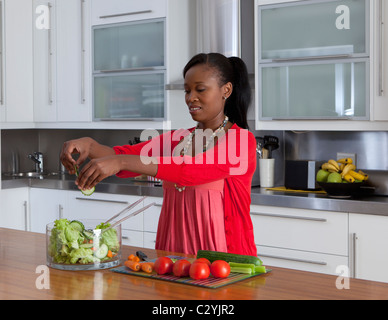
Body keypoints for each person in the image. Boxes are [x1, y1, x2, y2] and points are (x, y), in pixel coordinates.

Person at [60, 53, 257, 257]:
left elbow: (189, 170)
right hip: (172, 260)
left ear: (226, 90)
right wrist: (90, 146)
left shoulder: (241, 141)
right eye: (187, 90)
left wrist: (119, 161)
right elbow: (120, 157)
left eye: (200, 89)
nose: (191, 98)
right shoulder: (179, 138)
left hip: (227, 263)